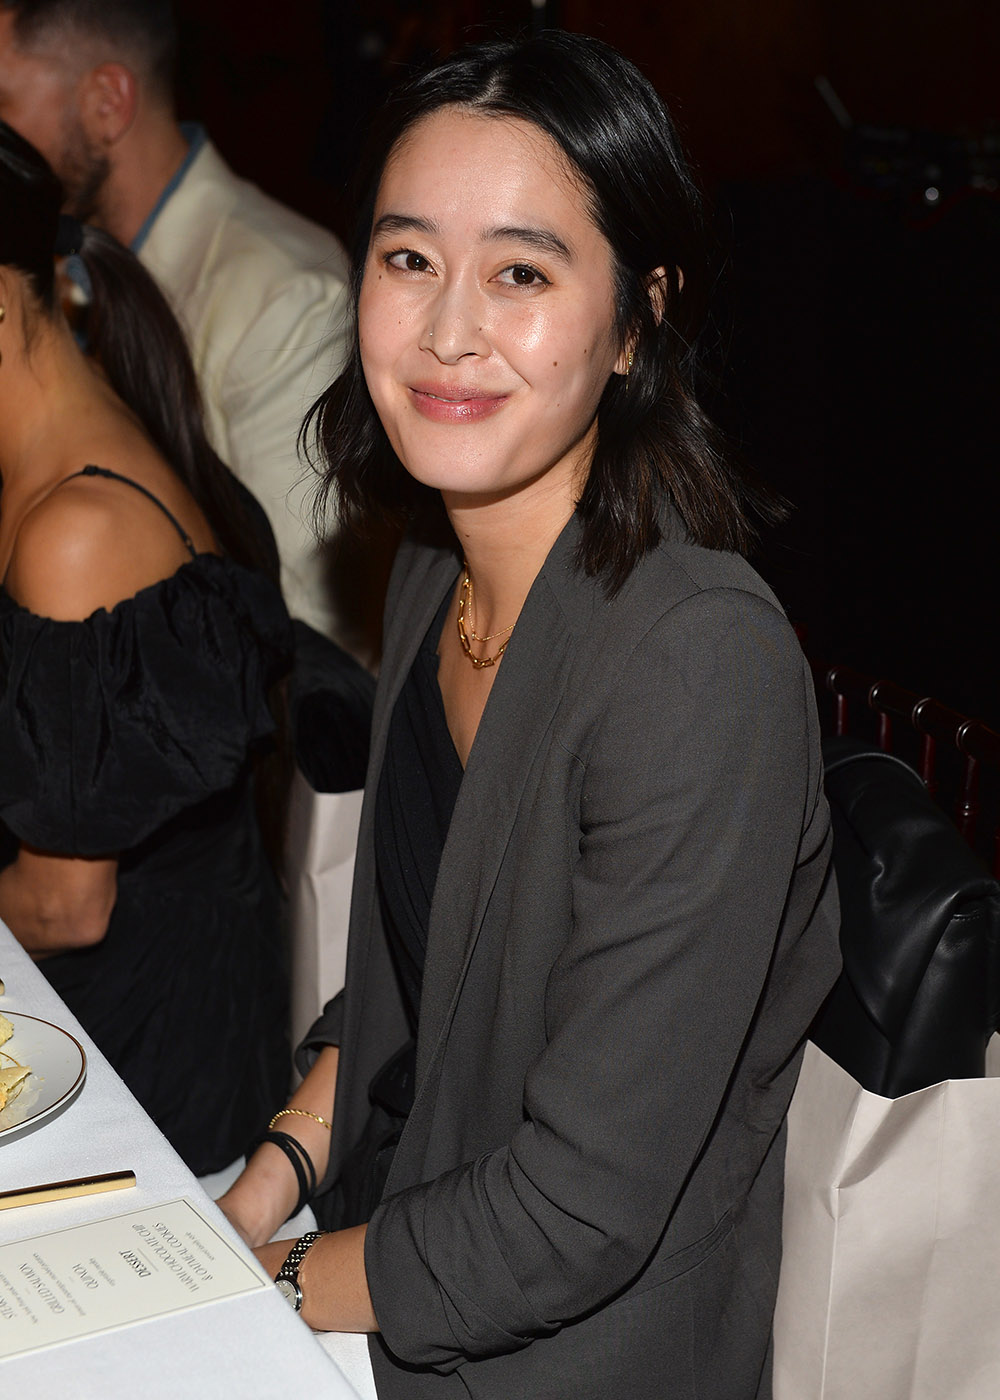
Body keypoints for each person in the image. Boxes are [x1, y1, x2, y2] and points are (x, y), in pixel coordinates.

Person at [218, 32, 841, 1399]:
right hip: (374, 1257)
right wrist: (265, 1182)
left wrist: (248, 1291)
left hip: (547, 1358)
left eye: (520, 272)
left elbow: (575, 1213)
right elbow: (415, 977)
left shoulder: (697, 666)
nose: (448, 330)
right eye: (407, 259)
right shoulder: (440, 561)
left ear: (636, 321)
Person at [0, 119, 294, 1175]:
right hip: (110, 1030)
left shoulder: (76, 528)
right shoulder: (59, 458)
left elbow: (67, 903)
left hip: (153, 1083)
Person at [0, 0, 353, 643]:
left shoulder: (285, 293)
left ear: (108, 102)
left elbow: (309, 637)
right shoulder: (52, 271)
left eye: (3, 103)